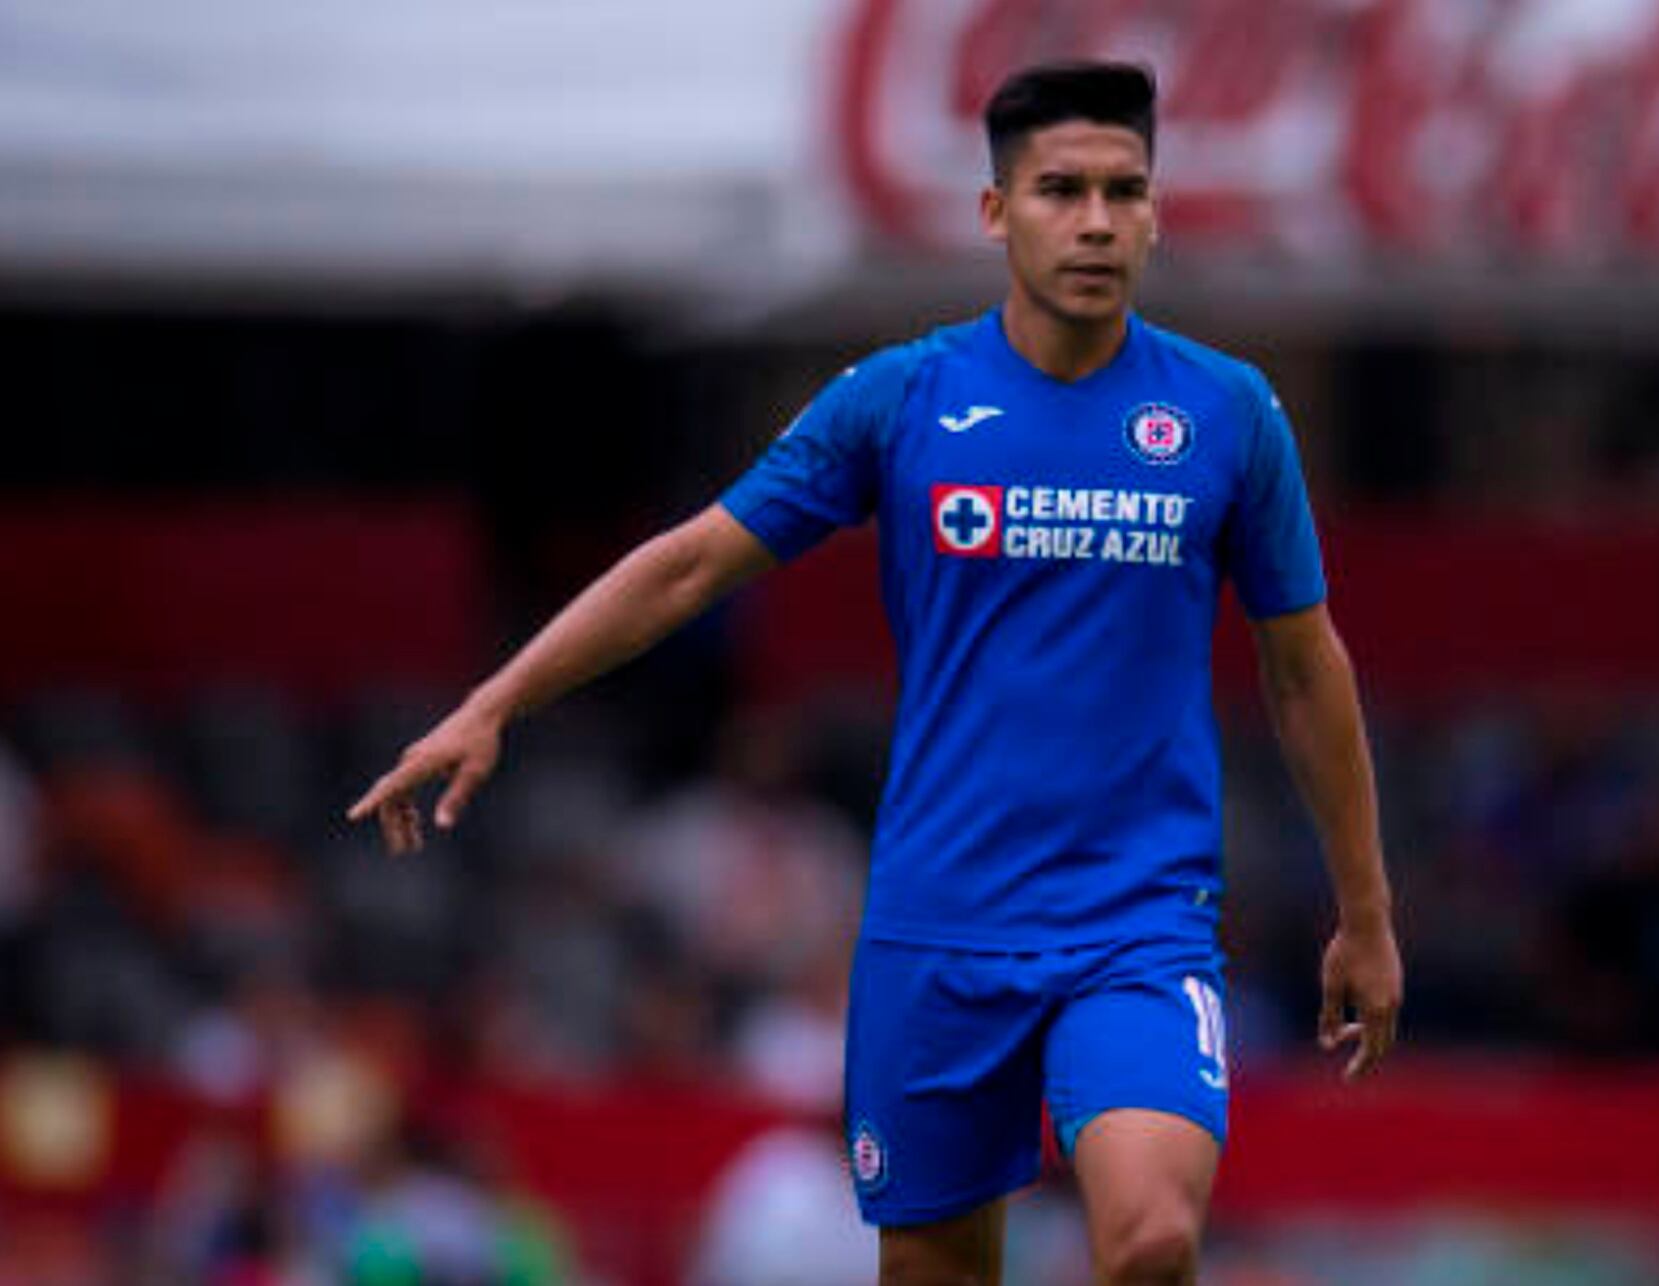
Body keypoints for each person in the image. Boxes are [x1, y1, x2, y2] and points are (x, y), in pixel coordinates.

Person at [350, 61, 1402, 1286]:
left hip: (1137, 922)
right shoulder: (903, 401)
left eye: (1127, 190)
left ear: (1160, 211)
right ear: (996, 213)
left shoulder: (1228, 415)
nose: (1099, 221)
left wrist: (1366, 913)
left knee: (1153, 1236)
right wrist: (496, 701)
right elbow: (692, 565)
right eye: (1062, 190)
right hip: (936, 924)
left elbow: (1304, 668)